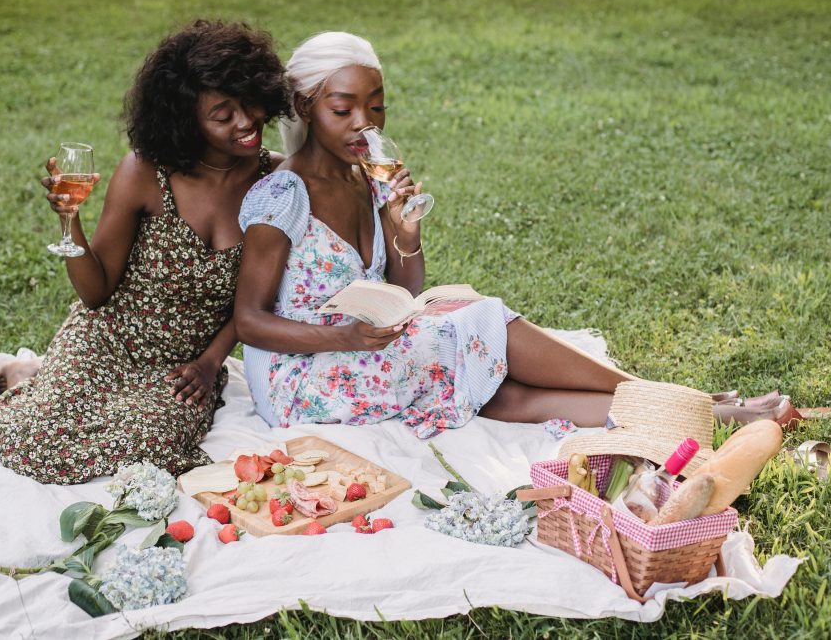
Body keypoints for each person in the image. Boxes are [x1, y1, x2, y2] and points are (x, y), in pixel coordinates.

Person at [234, 32, 640, 439]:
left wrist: (407, 232)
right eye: (343, 110)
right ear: (306, 107)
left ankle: (668, 409)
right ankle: (650, 395)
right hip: (300, 378)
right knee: (482, 322)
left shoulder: (369, 178)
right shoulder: (284, 195)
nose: (365, 124)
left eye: (376, 107)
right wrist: (346, 336)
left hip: (366, 348)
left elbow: (406, 287)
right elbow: (249, 322)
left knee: (491, 385)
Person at [0, 20, 291, 483]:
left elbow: (258, 298)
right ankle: (25, 376)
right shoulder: (146, 172)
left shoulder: (277, 183)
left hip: (186, 364)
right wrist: (69, 218)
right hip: (106, 339)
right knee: (37, 439)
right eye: (222, 114)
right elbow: (95, 292)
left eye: (249, 102)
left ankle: (37, 376)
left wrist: (210, 365)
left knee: (153, 442)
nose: (246, 122)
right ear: (187, 117)